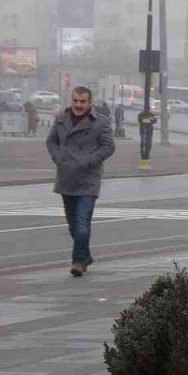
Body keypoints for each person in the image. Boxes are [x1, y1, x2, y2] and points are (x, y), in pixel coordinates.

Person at [46, 87, 115, 277]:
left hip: (88, 179)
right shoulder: (61, 118)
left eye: (82, 101)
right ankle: (85, 255)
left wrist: (88, 161)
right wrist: (58, 157)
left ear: (89, 102)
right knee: (73, 225)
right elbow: (51, 141)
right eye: (75, 100)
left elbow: (109, 147)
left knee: (82, 221)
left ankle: (77, 261)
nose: (78, 105)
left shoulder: (100, 122)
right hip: (67, 176)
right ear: (72, 100)